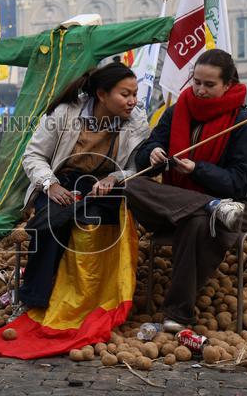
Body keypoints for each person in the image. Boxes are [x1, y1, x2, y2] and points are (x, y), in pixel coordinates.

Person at [120, 49, 247, 332]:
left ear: (228, 84)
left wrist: (197, 169)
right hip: (179, 205)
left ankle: (179, 312)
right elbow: (146, 152)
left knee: (197, 222)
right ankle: (209, 206)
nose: (200, 90)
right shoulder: (176, 111)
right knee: (131, 185)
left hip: (232, 208)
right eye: (196, 81)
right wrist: (154, 154)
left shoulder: (244, 122)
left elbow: (241, 183)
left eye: (209, 85)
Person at [15, 61, 150, 315]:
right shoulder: (65, 112)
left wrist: (114, 178)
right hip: (63, 183)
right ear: (102, 95)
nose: (132, 101)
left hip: (104, 188)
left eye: (134, 94)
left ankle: (97, 300)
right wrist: (50, 184)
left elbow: (136, 168)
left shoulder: (136, 121)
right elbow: (33, 156)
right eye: (125, 94)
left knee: (98, 221)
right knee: (52, 224)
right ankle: (34, 299)